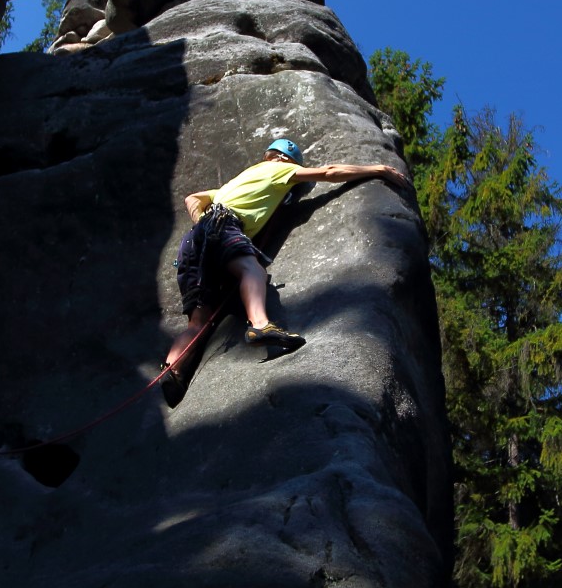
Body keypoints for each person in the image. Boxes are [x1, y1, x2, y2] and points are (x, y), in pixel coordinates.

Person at [162, 137, 409, 406]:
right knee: (251, 270)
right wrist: (378, 169)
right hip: (224, 227)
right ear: (283, 159)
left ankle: (172, 371)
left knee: (198, 322)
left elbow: (192, 198)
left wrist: (203, 222)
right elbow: (329, 173)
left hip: (193, 242)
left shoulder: (231, 184)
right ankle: (260, 326)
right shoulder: (278, 170)